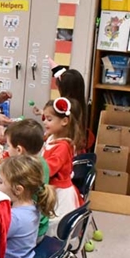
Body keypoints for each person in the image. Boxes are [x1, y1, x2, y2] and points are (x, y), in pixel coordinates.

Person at [0, 118, 51, 239]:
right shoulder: (40, 163)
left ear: (19, 150)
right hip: (38, 226)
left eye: (8, 145)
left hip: (30, 233)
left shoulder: (20, 181)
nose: (7, 149)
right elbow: (10, 171)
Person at [42, 97, 84, 234]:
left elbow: (50, 168)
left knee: (53, 227)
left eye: (49, 119)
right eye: (44, 118)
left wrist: (30, 166)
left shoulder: (63, 146)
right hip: (52, 188)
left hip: (59, 192)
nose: (45, 122)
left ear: (64, 121)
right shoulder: (51, 137)